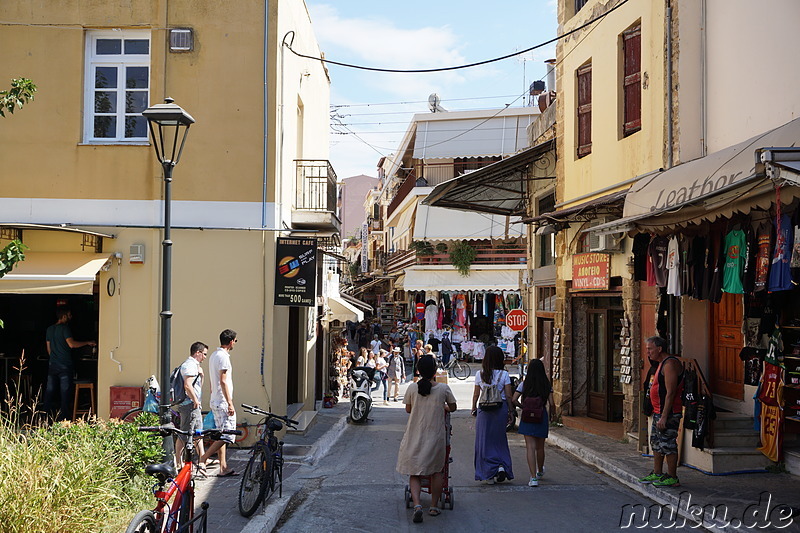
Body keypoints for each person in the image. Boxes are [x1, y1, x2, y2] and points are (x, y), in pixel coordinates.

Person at [396, 355, 457, 523]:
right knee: (437, 471)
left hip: (415, 434)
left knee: (414, 471)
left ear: (418, 371)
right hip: (435, 436)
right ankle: (433, 506)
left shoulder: (411, 388)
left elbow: (409, 409)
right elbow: (453, 407)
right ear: (435, 371)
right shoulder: (443, 389)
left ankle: (417, 505)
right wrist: (442, 406)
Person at [638, 336, 684, 488]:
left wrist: (664, 416)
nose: (648, 353)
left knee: (668, 444)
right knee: (656, 443)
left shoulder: (670, 364)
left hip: (668, 413)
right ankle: (657, 473)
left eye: (650, 349)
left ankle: (672, 477)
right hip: (658, 411)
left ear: (659, 349)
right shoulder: (660, 364)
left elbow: (671, 392)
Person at [471, 345, 515, 484]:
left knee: (484, 441)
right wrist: (511, 411)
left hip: (484, 410)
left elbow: (476, 394)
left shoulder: (480, 374)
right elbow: (508, 395)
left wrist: (473, 408)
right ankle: (501, 465)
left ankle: (488, 472)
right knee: (499, 440)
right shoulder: (505, 375)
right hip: (500, 409)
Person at [44, 308, 96, 420]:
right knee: (65, 392)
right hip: (65, 364)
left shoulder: (49, 329)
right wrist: (87, 342)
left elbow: (49, 349)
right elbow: (71, 344)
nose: (70, 317)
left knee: (50, 390)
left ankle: (45, 416)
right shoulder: (65, 328)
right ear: (63, 317)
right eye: (69, 315)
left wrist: (54, 358)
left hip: (53, 364)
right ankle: (64, 418)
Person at [199, 329, 238, 477]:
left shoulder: (214, 355)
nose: (235, 343)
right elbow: (223, 381)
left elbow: (212, 380)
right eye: (235, 341)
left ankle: (223, 467)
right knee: (228, 435)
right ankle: (203, 458)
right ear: (231, 341)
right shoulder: (223, 357)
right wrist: (230, 402)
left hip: (216, 399)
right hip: (222, 401)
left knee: (222, 433)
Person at [512, 359, 554, 487]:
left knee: (530, 447)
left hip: (527, 416)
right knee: (540, 447)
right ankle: (540, 471)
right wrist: (552, 415)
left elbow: (514, 399)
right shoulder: (546, 384)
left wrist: (523, 407)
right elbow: (552, 403)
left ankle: (533, 478)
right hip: (541, 416)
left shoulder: (525, 384)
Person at [175, 341, 208, 471]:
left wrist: (202, 375)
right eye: (204, 354)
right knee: (184, 433)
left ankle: (202, 460)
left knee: (198, 432)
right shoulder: (189, 365)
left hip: (193, 404)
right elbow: (188, 385)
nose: (205, 357)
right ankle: (178, 462)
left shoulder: (195, 366)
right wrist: (195, 400)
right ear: (197, 353)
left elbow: (197, 386)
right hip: (189, 404)